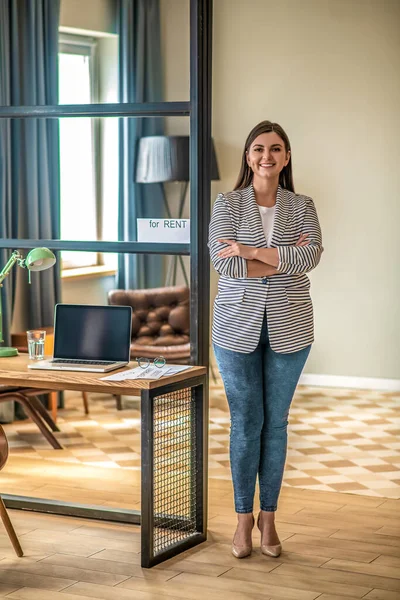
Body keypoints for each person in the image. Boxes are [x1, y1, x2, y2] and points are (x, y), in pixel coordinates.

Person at [208, 120, 323, 559]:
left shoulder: (303, 205)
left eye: (276, 149)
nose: (267, 156)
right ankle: (242, 520)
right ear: (248, 155)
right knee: (246, 422)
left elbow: (310, 256)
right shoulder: (227, 204)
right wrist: (281, 257)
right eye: (258, 148)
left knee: (276, 423)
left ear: (287, 157)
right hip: (235, 327)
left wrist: (251, 251)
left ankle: (269, 520)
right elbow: (225, 266)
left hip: (291, 328)